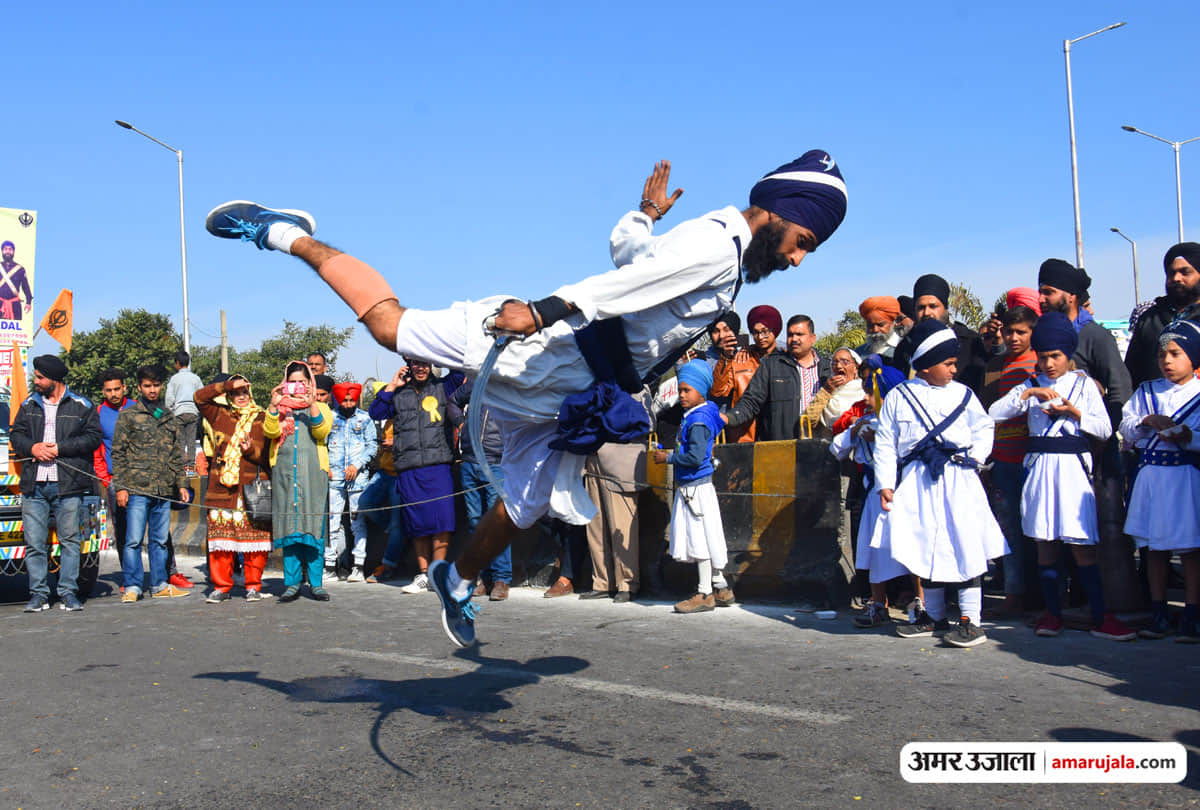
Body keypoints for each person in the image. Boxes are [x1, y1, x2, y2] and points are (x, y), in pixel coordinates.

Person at [206, 150, 848, 646]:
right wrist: (540, 312)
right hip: (549, 346)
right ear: (784, 211)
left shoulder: (719, 243)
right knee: (390, 328)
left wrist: (645, 217)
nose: (797, 261)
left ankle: (454, 581)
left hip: (576, 385)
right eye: (804, 244)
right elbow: (624, 284)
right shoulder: (718, 247)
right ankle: (281, 233)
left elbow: (632, 258)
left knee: (528, 499)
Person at [987, 312, 1135, 641]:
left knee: (1081, 544)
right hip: (1040, 470)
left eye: (1055, 356)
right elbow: (994, 413)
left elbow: (1104, 428)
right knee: (1045, 543)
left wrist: (1073, 412)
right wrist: (1027, 395)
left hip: (1072, 472)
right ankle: (1052, 614)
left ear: (1068, 354)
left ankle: (1101, 615)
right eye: (1043, 357)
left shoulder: (1083, 384)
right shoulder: (1031, 384)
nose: (1049, 363)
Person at [872, 319, 1007, 648]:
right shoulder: (899, 397)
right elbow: (886, 442)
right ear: (927, 365)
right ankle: (933, 615)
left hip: (959, 480)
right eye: (947, 363)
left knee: (965, 543)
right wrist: (885, 483)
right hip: (918, 482)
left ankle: (971, 619)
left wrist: (974, 459)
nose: (953, 368)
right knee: (924, 546)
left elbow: (983, 428)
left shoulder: (964, 394)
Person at [1121, 319, 1200, 641]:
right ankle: (1158, 611)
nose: (1167, 360)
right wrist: (1145, 420)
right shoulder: (1147, 391)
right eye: (1162, 354)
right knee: (1153, 547)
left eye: (1176, 353)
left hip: (1184, 478)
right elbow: (1126, 426)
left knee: (1191, 547)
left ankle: (1192, 614)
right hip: (1152, 477)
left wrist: (1188, 436)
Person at [11, 355, 101, 612]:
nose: (36, 381)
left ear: (54, 379)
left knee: (70, 541)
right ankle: (38, 594)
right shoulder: (28, 404)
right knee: (34, 543)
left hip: (68, 484)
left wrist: (60, 448)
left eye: (40, 377)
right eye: (36, 377)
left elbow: (93, 438)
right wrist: (34, 447)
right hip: (34, 485)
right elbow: (16, 435)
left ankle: (68, 593)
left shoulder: (82, 405)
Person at [830, 356, 907, 628]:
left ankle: (922, 603)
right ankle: (878, 603)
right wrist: (854, 432)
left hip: (903, 494)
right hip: (875, 495)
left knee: (912, 548)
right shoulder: (865, 421)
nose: (865, 397)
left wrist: (883, 440)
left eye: (869, 391)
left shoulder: (903, 423)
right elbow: (836, 448)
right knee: (874, 550)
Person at [368, 360, 457, 594]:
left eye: (424, 363)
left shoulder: (443, 387)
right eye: (415, 364)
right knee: (418, 525)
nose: (420, 368)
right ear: (407, 365)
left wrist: (438, 354)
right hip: (408, 467)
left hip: (438, 465)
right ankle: (423, 575)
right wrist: (392, 385)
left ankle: (438, 573)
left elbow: (460, 373)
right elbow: (375, 412)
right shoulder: (398, 393)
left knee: (442, 522)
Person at [652, 361, 732, 613]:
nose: (682, 395)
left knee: (699, 540)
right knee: (709, 535)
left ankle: (705, 592)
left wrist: (669, 458)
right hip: (699, 486)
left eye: (687, 390)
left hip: (694, 488)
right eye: (680, 390)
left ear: (700, 390)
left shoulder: (697, 421)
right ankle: (720, 585)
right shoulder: (706, 413)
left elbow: (695, 457)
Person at [112, 365, 193, 603]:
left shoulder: (168, 416)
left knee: (159, 541)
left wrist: (181, 484)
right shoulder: (128, 416)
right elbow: (118, 453)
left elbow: (177, 455)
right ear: (139, 387)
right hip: (137, 488)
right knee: (134, 540)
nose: (152, 390)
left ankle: (159, 584)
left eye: (156, 385)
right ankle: (133, 586)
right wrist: (122, 487)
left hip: (164, 489)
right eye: (147, 386)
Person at [979, 305, 1039, 616]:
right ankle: (1014, 596)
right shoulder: (997, 365)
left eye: (1022, 332)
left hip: (1033, 460)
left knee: (1038, 531)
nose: (1014, 338)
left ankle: (1043, 597)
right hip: (1002, 459)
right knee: (1008, 530)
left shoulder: (1039, 366)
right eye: (1009, 332)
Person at [195, 375, 272, 602]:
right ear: (228, 395)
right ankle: (221, 586)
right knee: (220, 541)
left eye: (245, 392)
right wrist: (226, 384)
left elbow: (268, 457)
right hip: (221, 489)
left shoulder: (262, 418)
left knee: (255, 542)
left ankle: (253, 586)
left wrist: (250, 451)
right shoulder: (220, 415)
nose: (241, 397)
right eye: (236, 393)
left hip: (251, 490)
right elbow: (198, 398)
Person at [264, 361, 334, 602]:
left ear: (309, 383)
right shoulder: (279, 408)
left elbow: (321, 431)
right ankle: (292, 584)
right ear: (285, 383)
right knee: (289, 527)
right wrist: (274, 407)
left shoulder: (321, 408)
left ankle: (316, 584)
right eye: (292, 381)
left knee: (313, 526)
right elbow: (271, 432)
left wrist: (312, 402)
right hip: (284, 474)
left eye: (301, 382)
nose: (297, 386)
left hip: (312, 474)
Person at [1037, 259, 1131, 428]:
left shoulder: (1095, 335)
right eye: (1040, 292)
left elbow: (1119, 390)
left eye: (1048, 292)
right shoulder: (1043, 335)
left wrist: (1105, 432)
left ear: (1071, 296)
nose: (1041, 299)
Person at [448, 377, 512, 600]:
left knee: (499, 522)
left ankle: (501, 579)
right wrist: (460, 423)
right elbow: (453, 401)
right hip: (469, 461)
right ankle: (482, 578)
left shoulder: (513, 384)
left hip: (497, 461)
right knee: (475, 522)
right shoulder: (475, 383)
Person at [723, 315, 825, 440]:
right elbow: (751, 401)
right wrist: (730, 417)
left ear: (812, 338)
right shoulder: (771, 365)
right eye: (790, 335)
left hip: (821, 446)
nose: (794, 339)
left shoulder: (827, 368)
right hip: (782, 447)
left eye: (799, 334)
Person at [1125, 243, 1200, 388]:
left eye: (1185, 272)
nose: (1177, 278)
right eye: (1172, 273)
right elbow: (1132, 371)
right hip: (1154, 404)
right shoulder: (1149, 318)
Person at [326, 381, 376, 582]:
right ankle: (330, 566)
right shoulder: (329, 419)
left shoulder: (365, 419)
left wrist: (357, 465)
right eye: (344, 400)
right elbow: (322, 443)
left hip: (357, 478)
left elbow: (372, 446)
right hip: (334, 478)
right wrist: (326, 466)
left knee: (357, 521)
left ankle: (358, 566)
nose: (347, 403)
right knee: (332, 521)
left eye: (351, 400)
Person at [906, 273, 988, 396]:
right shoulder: (906, 346)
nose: (927, 313)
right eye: (921, 307)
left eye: (933, 306)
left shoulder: (970, 342)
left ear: (945, 309)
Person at [92, 368, 135, 568]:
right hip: (115, 480)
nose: (114, 394)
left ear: (124, 388)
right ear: (103, 391)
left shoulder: (139, 407)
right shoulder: (98, 414)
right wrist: (106, 479)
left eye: (117, 389)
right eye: (109, 390)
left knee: (156, 528)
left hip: (143, 478)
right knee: (122, 528)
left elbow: (163, 419)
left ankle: (168, 573)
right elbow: (97, 450)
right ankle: (128, 574)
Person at [803, 346, 863, 435]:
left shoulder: (864, 391)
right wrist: (826, 391)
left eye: (845, 362)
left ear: (856, 367)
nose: (838, 366)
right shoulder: (828, 393)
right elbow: (807, 421)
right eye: (834, 363)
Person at [165, 351, 203, 465]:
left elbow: (169, 399)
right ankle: (191, 465)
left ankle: (181, 465)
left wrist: (170, 411)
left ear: (177, 363)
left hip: (179, 413)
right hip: (192, 412)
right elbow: (201, 395)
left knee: (180, 441)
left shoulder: (174, 379)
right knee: (191, 440)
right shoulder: (195, 378)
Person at [857, 296, 907, 373]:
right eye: (870, 325)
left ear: (893, 323)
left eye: (880, 325)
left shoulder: (906, 349)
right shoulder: (859, 352)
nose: (875, 330)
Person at [0, 240, 33, 321]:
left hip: (15, 306)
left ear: (13, 252)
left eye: (10, 249)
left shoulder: (20, 269)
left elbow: (26, 287)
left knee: (14, 333)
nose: (7, 251)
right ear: (2, 251)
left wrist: (28, 302)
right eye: (5, 249)